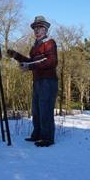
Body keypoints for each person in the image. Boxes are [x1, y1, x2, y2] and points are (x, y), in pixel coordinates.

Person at [7, 16, 58, 147]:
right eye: (35, 28)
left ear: (46, 30)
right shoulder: (34, 48)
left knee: (45, 109)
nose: (37, 30)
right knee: (36, 110)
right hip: (37, 81)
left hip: (48, 81)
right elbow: (31, 62)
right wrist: (16, 56)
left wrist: (30, 66)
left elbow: (51, 62)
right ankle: (37, 135)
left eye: (40, 28)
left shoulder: (50, 43)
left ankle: (47, 138)